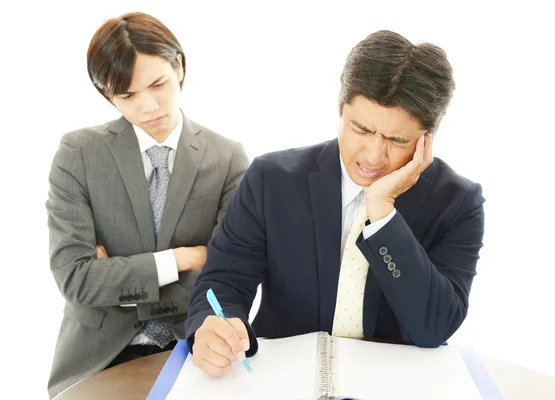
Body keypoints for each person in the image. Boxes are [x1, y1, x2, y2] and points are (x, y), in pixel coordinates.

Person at [185, 29, 485, 376]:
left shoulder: (458, 202)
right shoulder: (271, 178)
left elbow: (435, 327)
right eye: (360, 129)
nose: (373, 156)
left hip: (393, 384)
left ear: (427, 137)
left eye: (396, 140)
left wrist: (383, 211)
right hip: (282, 380)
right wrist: (212, 327)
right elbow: (224, 280)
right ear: (340, 106)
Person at [45, 12, 249, 397]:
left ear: (180, 67)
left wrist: (117, 281)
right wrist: (182, 260)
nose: (149, 107)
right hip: (98, 358)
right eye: (127, 96)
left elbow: (226, 278)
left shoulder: (227, 159)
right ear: (108, 94)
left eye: (158, 84)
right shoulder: (78, 156)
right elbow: (75, 280)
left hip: (195, 346)